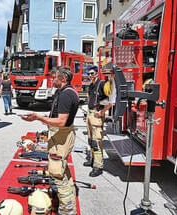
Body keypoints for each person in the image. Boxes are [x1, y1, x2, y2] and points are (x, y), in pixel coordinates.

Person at [22, 66, 79, 214]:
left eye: (54, 78)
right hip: (61, 136)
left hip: (61, 138)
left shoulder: (66, 94)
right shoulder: (66, 91)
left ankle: (66, 210)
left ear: (63, 79)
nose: (51, 80)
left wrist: (39, 118)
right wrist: (45, 118)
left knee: (57, 174)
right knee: (63, 172)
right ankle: (69, 203)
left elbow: (61, 121)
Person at [84, 66, 112, 177]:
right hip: (90, 114)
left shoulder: (102, 84)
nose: (90, 75)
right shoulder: (91, 86)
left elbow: (111, 101)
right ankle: (92, 160)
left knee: (96, 142)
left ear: (96, 73)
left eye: (92, 73)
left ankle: (98, 166)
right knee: (90, 140)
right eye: (88, 74)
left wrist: (102, 112)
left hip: (97, 115)